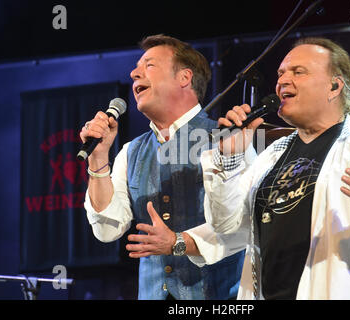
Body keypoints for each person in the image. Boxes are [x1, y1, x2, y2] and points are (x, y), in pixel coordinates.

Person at [199, 37, 350, 299]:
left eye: (298, 72)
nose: (282, 81)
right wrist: (230, 159)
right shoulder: (271, 155)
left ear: (335, 86)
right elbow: (225, 225)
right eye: (281, 73)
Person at [80, 34, 245, 300]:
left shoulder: (230, 138)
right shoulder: (130, 151)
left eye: (149, 65)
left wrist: (178, 243)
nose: (134, 73)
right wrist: (98, 159)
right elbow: (107, 230)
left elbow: (241, 226)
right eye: (136, 68)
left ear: (184, 78)